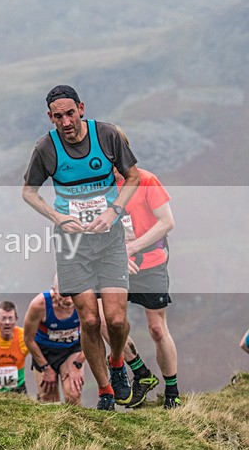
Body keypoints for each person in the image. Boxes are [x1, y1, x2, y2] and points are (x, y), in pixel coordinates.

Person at [22, 85, 141, 411]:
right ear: (51, 117)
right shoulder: (46, 148)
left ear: (81, 109)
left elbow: (133, 178)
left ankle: (116, 363)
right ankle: (105, 392)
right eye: (58, 116)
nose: (65, 121)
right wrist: (57, 216)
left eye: (70, 113)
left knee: (115, 321)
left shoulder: (106, 136)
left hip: (109, 239)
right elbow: (29, 192)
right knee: (89, 321)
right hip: (72, 244)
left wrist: (114, 210)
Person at [110, 159, 181, 409]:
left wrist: (132, 248)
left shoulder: (146, 179)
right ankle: (141, 373)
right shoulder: (102, 186)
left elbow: (167, 222)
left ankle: (172, 392)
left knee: (157, 329)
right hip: (115, 265)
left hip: (151, 262)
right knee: (105, 323)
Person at [23, 280, 86, 406]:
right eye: (64, 294)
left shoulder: (84, 302)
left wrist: (77, 364)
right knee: (49, 399)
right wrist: (45, 368)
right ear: (54, 290)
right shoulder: (39, 304)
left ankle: (78, 425)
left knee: (73, 394)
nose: (68, 300)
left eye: (72, 294)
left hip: (71, 350)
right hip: (44, 351)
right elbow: (28, 339)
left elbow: (93, 339)